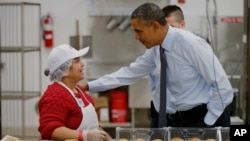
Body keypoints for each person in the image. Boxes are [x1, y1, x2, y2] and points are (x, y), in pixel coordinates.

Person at [82, 3, 233, 128]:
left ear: (155, 26)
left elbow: (223, 88)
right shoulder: (156, 50)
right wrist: (88, 86)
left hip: (201, 117)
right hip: (174, 120)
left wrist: (207, 123)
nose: (136, 37)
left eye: (139, 31)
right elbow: (129, 73)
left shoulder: (191, 44)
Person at [38, 44, 112, 141]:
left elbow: (95, 128)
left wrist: (110, 139)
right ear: (65, 69)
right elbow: (49, 129)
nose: (82, 64)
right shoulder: (55, 94)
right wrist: (84, 136)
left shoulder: (80, 91)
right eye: (77, 61)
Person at [149, 4, 186, 128]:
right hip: (160, 119)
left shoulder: (194, 50)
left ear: (182, 24)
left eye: (172, 28)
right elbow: (154, 84)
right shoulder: (155, 51)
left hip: (187, 120)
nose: (167, 34)